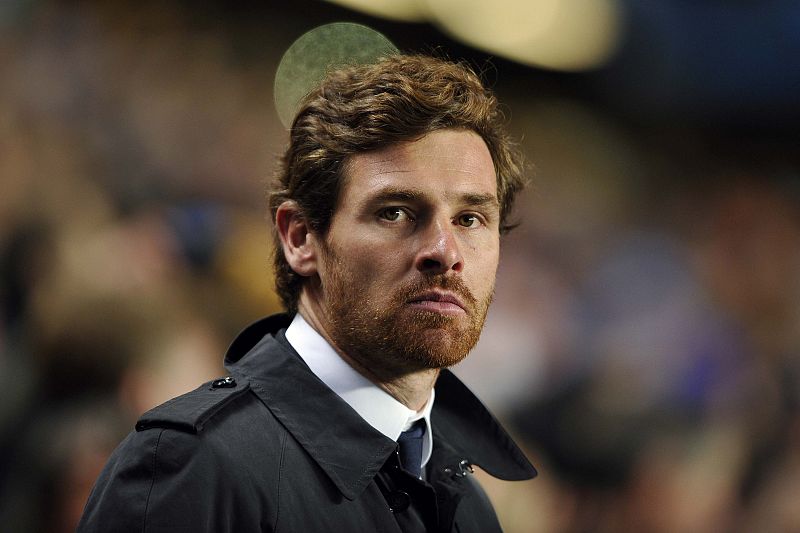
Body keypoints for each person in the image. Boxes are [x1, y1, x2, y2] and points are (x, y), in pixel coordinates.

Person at [77, 53, 536, 532]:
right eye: (395, 212)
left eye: (470, 219)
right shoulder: (192, 468)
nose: (445, 251)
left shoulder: (472, 507)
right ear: (299, 238)